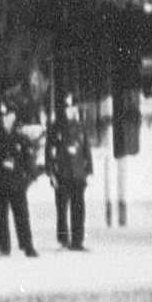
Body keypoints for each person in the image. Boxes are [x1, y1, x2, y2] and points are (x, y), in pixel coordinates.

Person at [0, 99, 39, 257]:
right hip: (0, 182)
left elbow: (28, 160)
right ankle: (4, 246)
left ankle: (27, 245)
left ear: (13, 116)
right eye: (3, 115)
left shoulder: (20, 137)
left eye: (8, 115)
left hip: (17, 183)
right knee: (0, 216)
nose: (5, 118)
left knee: (22, 216)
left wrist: (27, 178)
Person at [44, 97, 94, 252]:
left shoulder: (80, 127)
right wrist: (51, 170)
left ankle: (77, 240)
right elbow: (49, 150)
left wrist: (89, 169)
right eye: (68, 108)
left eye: (73, 108)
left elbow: (86, 148)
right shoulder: (56, 128)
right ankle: (63, 238)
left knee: (78, 208)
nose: (71, 111)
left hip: (78, 173)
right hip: (62, 173)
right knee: (62, 208)